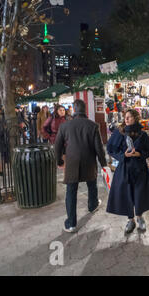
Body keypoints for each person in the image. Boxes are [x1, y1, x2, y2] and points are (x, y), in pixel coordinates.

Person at [55, 99, 107, 233]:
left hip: (72, 162)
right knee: (92, 184)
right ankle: (93, 205)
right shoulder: (93, 125)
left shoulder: (65, 126)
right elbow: (99, 148)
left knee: (71, 191)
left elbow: (57, 146)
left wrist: (59, 161)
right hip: (89, 161)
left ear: (73, 109)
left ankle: (71, 223)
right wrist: (104, 165)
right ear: (85, 110)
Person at [106, 108, 149, 234]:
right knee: (127, 195)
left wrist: (139, 153)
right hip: (124, 169)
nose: (126, 119)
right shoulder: (120, 133)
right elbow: (110, 149)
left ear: (135, 118)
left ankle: (139, 217)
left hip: (139, 169)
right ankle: (130, 220)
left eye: (129, 117)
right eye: (125, 117)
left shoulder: (143, 134)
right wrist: (123, 156)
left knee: (139, 195)